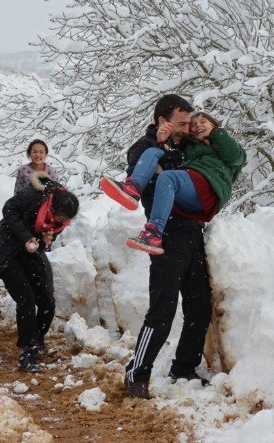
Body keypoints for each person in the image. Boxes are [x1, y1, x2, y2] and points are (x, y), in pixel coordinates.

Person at [104, 94, 214, 399]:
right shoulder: (143, 149)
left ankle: (184, 367)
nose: (186, 128)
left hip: (193, 234)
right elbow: (149, 170)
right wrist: (162, 149)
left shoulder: (185, 146)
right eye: (181, 123)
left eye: (188, 123)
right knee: (162, 312)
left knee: (199, 308)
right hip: (163, 238)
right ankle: (137, 372)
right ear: (162, 121)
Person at [0, 171, 78, 372]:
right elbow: (8, 210)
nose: (60, 222)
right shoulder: (35, 194)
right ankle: (28, 350)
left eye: (63, 221)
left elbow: (46, 236)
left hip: (29, 251)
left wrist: (42, 241)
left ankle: (39, 338)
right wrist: (26, 237)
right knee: (26, 297)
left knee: (46, 299)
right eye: (59, 217)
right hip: (6, 250)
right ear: (54, 206)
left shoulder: (59, 219)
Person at [101, 112, 246, 254]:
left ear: (214, 124)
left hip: (211, 189)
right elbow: (170, 160)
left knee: (168, 177)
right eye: (194, 125)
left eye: (203, 122)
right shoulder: (190, 148)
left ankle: (154, 232)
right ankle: (133, 189)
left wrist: (216, 132)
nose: (198, 126)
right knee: (152, 152)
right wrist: (163, 141)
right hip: (191, 191)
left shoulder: (227, 146)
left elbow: (235, 158)